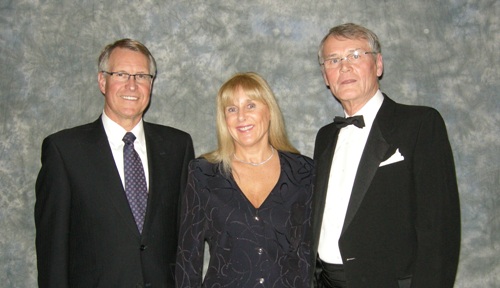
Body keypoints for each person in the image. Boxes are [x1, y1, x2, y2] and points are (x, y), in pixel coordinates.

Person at [35, 38, 195, 287]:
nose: (132, 85)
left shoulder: (178, 147)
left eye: (141, 76)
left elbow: (186, 242)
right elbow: (52, 254)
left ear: (151, 84)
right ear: (102, 81)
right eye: (121, 74)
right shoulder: (64, 152)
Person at [310, 23, 461, 288]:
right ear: (326, 76)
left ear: (378, 64)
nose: (344, 67)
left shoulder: (421, 124)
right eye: (333, 60)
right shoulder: (325, 137)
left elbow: (440, 233)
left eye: (355, 55)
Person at [175, 72, 314, 287]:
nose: (241, 117)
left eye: (251, 105)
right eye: (232, 109)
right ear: (224, 119)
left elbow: (310, 254)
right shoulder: (203, 173)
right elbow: (188, 257)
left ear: (269, 111)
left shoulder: (304, 171)